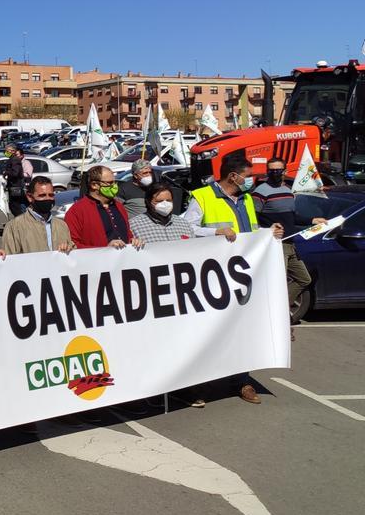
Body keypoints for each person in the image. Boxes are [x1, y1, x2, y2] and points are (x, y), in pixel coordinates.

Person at [183, 152, 285, 404]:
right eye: (248, 177)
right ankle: (199, 386)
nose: (251, 181)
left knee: (242, 330)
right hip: (212, 276)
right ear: (233, 176)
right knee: (209, 331)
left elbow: (247, 231)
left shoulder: (246, 198)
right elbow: (186, 228)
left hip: (241, 275)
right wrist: (214, 231)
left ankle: (242, 380)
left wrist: (268, 232)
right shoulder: (203, 196)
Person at [251, 158, 314, 325]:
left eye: (278, 170)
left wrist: (313, 220)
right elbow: (253, 219)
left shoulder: (287, 190)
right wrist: (267, 229)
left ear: (285, 171)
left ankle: (279, 309)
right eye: (271, 170)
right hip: (276, 243)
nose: (275, 173)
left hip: (290, 243)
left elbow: (292, 217)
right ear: (267, 171)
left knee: (304, 279)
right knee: (278, 282)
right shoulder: (260, 192)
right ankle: (275, 316)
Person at [65, 165, 143, 250]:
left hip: (124, 260)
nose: (114, 186)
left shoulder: (119, 206)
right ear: (94, 185)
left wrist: (132, 241)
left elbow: (127, 234)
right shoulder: (77, 211)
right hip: (97, 261)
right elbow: (73, 245)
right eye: (109, 183)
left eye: (114, 182)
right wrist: (105, 249)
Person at [1, 177, 74, 254]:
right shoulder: (15, 226)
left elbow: (71, 258)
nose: (47, 199)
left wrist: (70, 248)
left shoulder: (61, 225)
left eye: (51, 195)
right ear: (30, 197)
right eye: (42, 195)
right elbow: (9, 260)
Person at [129, 183, 200, 244]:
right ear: (148, 202)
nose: (165, 204)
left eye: (168, 200)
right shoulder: (134, 226)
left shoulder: (184, 224)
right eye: (159, 201)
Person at [1, 144, 33, 217]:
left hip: (16, 187)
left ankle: (21, 222)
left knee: (15, 207)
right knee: (13, 206)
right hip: (13, 186)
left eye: (7, 150)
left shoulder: (15, 159)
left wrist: (6, 172)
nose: (5, 152)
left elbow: (15, 173)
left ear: (13, 151)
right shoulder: (12, 159)